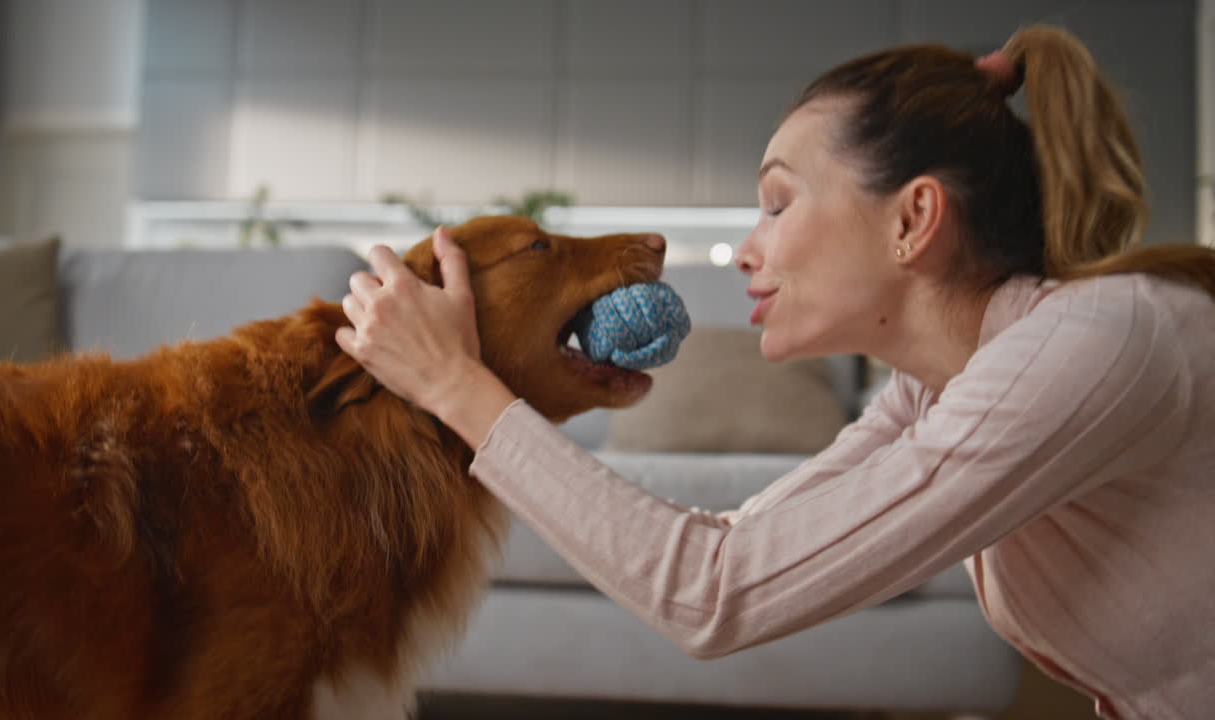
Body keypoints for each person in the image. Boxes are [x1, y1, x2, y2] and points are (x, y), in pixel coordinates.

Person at [335, 25, 1215, 720]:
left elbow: (714, 595)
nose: (747, 250)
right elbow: (737, 547)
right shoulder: (938, 387)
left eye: (778, 202)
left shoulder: (1094, 343)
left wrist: (457, 386)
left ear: (913, 219)